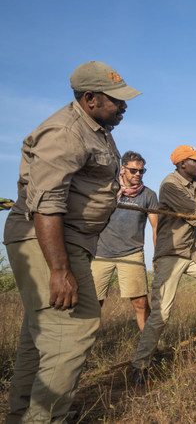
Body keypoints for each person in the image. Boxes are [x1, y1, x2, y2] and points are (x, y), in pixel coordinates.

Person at [2, 61, 140, 423]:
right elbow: (47, 204)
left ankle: (24, 415)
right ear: (90, 98)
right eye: (116, 100)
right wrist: (59, 269)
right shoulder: (65, 132)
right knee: (73, 332)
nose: (124, 106)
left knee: (43, 335)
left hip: (67, 239)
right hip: (47, 238)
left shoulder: (98, 129)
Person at [131, 145, 196, 385]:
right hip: (171, 252)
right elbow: (195, 215)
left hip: (193, 248)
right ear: (182, 164)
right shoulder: (169, 185)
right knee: (161, 313)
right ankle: (140, 364)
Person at [91, 151, 158, 331]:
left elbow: (155, 227)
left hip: (132, 252)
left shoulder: (148, 195)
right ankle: (78, 352)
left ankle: (150, 349)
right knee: (92, 302)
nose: (138, 175)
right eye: (133, 171)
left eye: (141, 171)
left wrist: (157, 255)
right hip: (100, 253)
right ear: (123, 169)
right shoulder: (108, 190)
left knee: (141, 303)